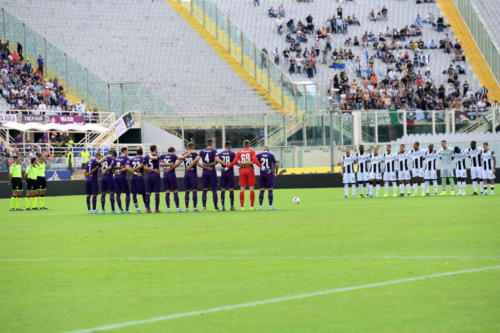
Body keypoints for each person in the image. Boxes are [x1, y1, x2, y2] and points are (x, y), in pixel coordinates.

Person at [225, 140, 263, 209]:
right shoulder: (252, 151)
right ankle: (252, 206)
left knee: (242, 188)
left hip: (242, 170)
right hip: (250, 170)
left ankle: (242, 206)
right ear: (249, 144)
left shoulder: (239, 152)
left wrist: (227, 167)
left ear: (243, 145)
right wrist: (261, 167)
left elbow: (234, 161)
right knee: (251, 188)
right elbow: (255, 161)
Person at [198, 139, 219, 211]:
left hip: (205, 172)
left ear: (207, 144)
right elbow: (217, 160)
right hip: (212, 171)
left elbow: (196, 162)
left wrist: (205, 166)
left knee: (204, 190)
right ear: (212, 144)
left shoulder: (202, 151)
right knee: (214, 190)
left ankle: (204, 207)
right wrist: (209, 165)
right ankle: (216, 207)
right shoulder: (214, 151)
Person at [160, 147, 182, 212]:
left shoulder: (162, 156)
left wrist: (166, 166)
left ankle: (168, 208)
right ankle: (177, 208)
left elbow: (160, 164)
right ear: (173, 151)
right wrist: (172, 166)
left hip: (165, 175)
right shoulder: (173, 155)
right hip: (171, 175)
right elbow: (180, 160)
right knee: (175, 191)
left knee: (167, 191)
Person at [216, 141, 237, 211]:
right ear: (229, 146)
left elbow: (216, 159)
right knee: (231, 189)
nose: (231, 147)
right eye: (230, 146)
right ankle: (232, 206)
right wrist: (243, 166)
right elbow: (236, 162)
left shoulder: (221, 153)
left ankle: (223, 206)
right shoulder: (233, 153)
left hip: (223, 172)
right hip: (230, 172)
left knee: (223, 189)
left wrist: (223, 163)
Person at [179, 143, 199, 212]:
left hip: (186, 173)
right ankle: (195, 208)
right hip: (193, 173)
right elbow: (196, 162)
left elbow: (180, 159)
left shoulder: (184, 154)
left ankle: (187, 208)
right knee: (194, 190)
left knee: (187, 191)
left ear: (188, 147)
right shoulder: (195, 154)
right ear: (192, 147)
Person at [143, 145, 161, 213]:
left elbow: (144, 167)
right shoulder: (157, 156)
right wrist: (154, 170)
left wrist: (151, 169)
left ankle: (148, 209)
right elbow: (155, 158)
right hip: (156, 175)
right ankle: (156, 209)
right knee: (157, 193)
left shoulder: (146, 157)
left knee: (148, 193)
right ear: (155, 149)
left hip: (149, 175)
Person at [114, 147, 131, 213]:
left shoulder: (116, 158)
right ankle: (127, 209)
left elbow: (112, 167)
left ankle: (121, 209)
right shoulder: (126, 158)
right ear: (125, 151)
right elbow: (126, 168)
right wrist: (119, 170)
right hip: (122, 177)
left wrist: (115, 171)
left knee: (118, 194)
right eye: (127, 151)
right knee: (127, 193)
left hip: (115, 177)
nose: (128, 152)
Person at [130, 148, 147, 213]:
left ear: (136, 153)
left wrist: (133, 171)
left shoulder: (132, 159)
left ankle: (137, 208)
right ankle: (146, 207)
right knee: (143, 193)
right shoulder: (143, 159)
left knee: (134, 194)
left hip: (133, 177)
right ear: (142, 153)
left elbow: (128, 166)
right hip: (140, 177)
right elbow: (144, 166)